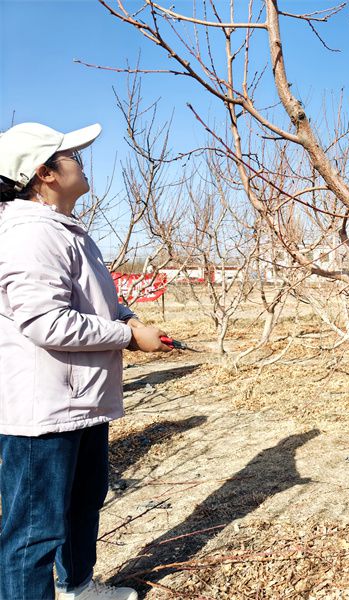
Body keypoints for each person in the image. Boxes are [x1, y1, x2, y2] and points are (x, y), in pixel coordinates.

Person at [0, 122, 173, 600]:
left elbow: (92, 302)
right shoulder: (29, 235)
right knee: (33, 533)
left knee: (82, 503)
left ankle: (78, 587)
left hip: (81, 398)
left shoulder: (65, 230)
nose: (80, 160)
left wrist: (130, 318)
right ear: (44, 174)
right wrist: (126, 337)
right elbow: (46, 322)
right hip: (45, 411)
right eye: (69, 154)